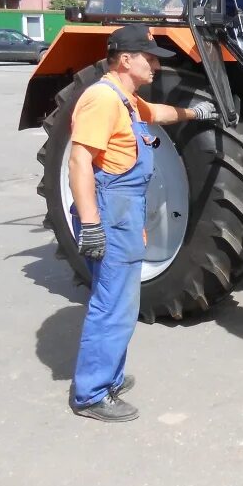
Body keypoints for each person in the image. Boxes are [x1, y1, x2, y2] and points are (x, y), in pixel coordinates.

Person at [68, 25, 218, 422]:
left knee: (122, 300)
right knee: (112, 304)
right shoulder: (101, 100)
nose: (155, 65)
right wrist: (91, 224)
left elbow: (162, 114)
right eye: (149, 57)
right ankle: (92, 393)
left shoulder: (127, 100)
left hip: (126, 212)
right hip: (110, 213)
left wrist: (195, 112)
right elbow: (79, 161)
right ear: (124, 59)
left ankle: (109, 377)